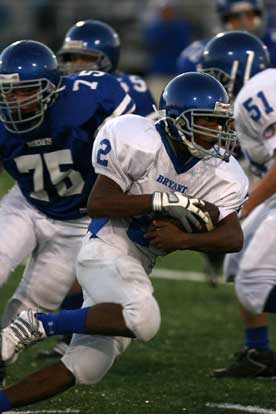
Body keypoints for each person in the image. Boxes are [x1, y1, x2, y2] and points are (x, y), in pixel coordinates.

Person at [0, 72, 248, 411]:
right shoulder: (138, 138)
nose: (215, 132)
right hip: (106, 246)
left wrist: (184, 239)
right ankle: (37, 323)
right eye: (205, 121)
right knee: (144, 319)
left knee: (86, 367)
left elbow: (232, 237)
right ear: (176, 120)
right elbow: (98, 203)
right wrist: (163, 201)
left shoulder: (222, 172)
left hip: (137, 262)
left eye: (220, 123)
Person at [0, 39, 135, 385]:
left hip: (78, 218)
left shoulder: (86, 101)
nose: (13, 102)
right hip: (27, 203)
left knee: (34, 302)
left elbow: (134, 135)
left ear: (51, 89)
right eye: (7, 92)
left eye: (24, 92)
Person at [37, 19, 158, 360]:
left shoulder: (128, 87)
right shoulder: (62, 89)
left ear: (107, 59)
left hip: (113, 182)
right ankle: (67, 332)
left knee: (87, 263)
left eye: (84, 59)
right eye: (71, 58)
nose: (75, 66)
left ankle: (64, 332)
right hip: (76, 181)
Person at [199, 30, 276, 378]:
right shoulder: (258, 89)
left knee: (255, 282)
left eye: (216, 77)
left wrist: (241, 208)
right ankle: (258, 353)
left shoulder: (258, 92)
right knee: (237, 259)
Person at [58, 19, 157, 120]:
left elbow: (149, 131)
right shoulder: (61, 87)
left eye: (86, 58)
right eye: (72, 58)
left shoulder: (132, 85)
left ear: (109, 57)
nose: (77, 64)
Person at [177, 0, 275, 74]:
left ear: (261, 16)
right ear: (222, 21)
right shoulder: (207, 49)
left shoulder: (272, 41)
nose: (244, 22)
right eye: (234, 17)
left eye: (250, 15)